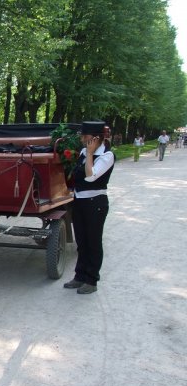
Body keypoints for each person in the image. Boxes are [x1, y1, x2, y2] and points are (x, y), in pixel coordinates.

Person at [64, 121, 115, 295]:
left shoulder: (107, 156)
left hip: (95, 203)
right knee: (82, 241)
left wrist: (91, 154)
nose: (81, 138)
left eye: (84, 136)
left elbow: (90, 177)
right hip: (80, 201)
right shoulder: (85, 152)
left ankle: (91, 280)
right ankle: (79, 276)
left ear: (95, 138)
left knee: (93, 242)